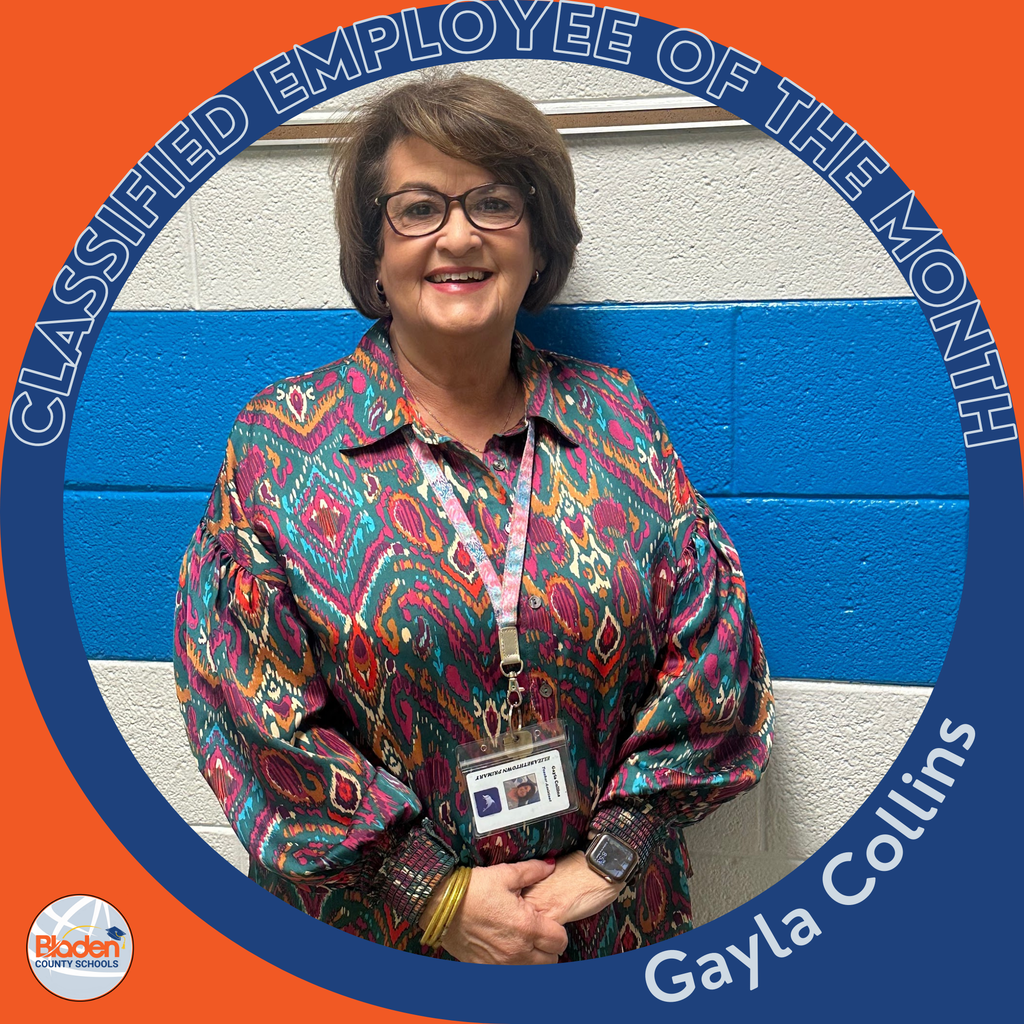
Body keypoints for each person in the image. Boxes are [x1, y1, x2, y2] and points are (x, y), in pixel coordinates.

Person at [174, 71, 773, 965]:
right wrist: (433, 893)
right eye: (417, 208)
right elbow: (243, 698)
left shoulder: (616, 416)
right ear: (372, 252)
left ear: (539, 244)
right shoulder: (283, 442)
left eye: (493, 202)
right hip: (378, 944)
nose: (457, 234)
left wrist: (609, 856)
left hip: (602, 931)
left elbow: (717, 652)